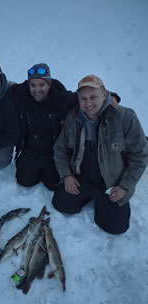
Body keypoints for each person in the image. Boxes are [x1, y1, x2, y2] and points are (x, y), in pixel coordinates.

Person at [52, 74, 148, 234]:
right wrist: (67, 175)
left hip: (112, 182)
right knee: (61, 203)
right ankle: (91, 195)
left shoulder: (125, 117)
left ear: (105, 95)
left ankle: (101, 200)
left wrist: (124, 186)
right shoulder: (72, 117)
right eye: (84, 98)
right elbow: (60, 149)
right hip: (82, 176)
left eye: (93, 97)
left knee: (116, 227)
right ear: (78, 99)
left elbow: (140, 155)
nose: (88, 103)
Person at [12, 64, 120, 191]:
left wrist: (110, 97)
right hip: (30, 147)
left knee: (53, 184)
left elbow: (86, 97)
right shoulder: (21, 94)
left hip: (52, 149)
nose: (37, 90)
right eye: (33, 85)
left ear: (49, 84)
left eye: (42, 85)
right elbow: (4, 86)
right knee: (24, 180)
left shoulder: (61, 97)